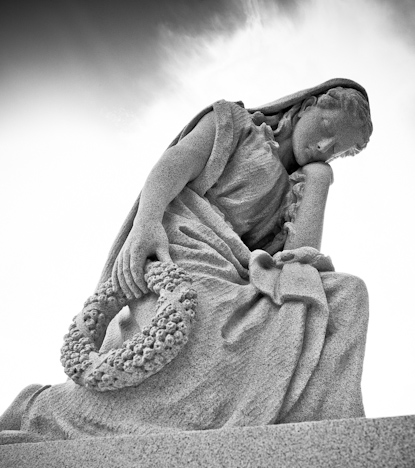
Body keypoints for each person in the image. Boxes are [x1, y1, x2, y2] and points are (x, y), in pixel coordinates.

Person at [0, 78, 373, 441]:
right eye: (326, 127)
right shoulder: (237, 125)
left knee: (345, 295)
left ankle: (323, 440)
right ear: (307, 105)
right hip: (181, 246)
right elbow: (175, 164)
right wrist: (146, 223)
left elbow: (297, 265)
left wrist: (318, 181)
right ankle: (43, 411)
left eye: (337, 150)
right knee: (205, 322)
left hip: (236, 271)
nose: (324, 146)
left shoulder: (297, 187)